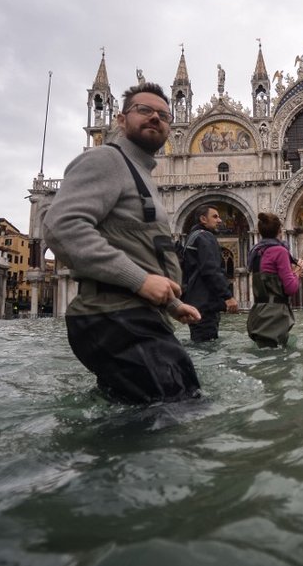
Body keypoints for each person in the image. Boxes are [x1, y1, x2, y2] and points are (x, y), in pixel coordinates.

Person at [42, 82, 203, 404]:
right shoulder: (106, 160)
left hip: (134, 316)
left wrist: (172, 304)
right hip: (116, 317)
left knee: (157, 412)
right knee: (175, 415)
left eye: (163, 114)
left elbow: (141, 249)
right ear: (120, 119)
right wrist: (140, 280)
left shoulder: (140, 173)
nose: (155, 118)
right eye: (144, 110)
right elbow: (61, 226)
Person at [245, 212, 303, 348]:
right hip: (274, 317)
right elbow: (291, 288)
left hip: (257, 315)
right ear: (280, 231)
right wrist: (297, 272)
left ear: (260, 232)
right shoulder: (280, 251)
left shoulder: (256, 251)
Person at [181, 205, 239, 342]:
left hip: (194, 303)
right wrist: (228, 296)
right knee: (207, 346)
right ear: (203, 219)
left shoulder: (192, 237)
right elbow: (211, 270)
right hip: (205, 305)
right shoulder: (205, 237)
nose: (219, 220)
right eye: (215, 216)